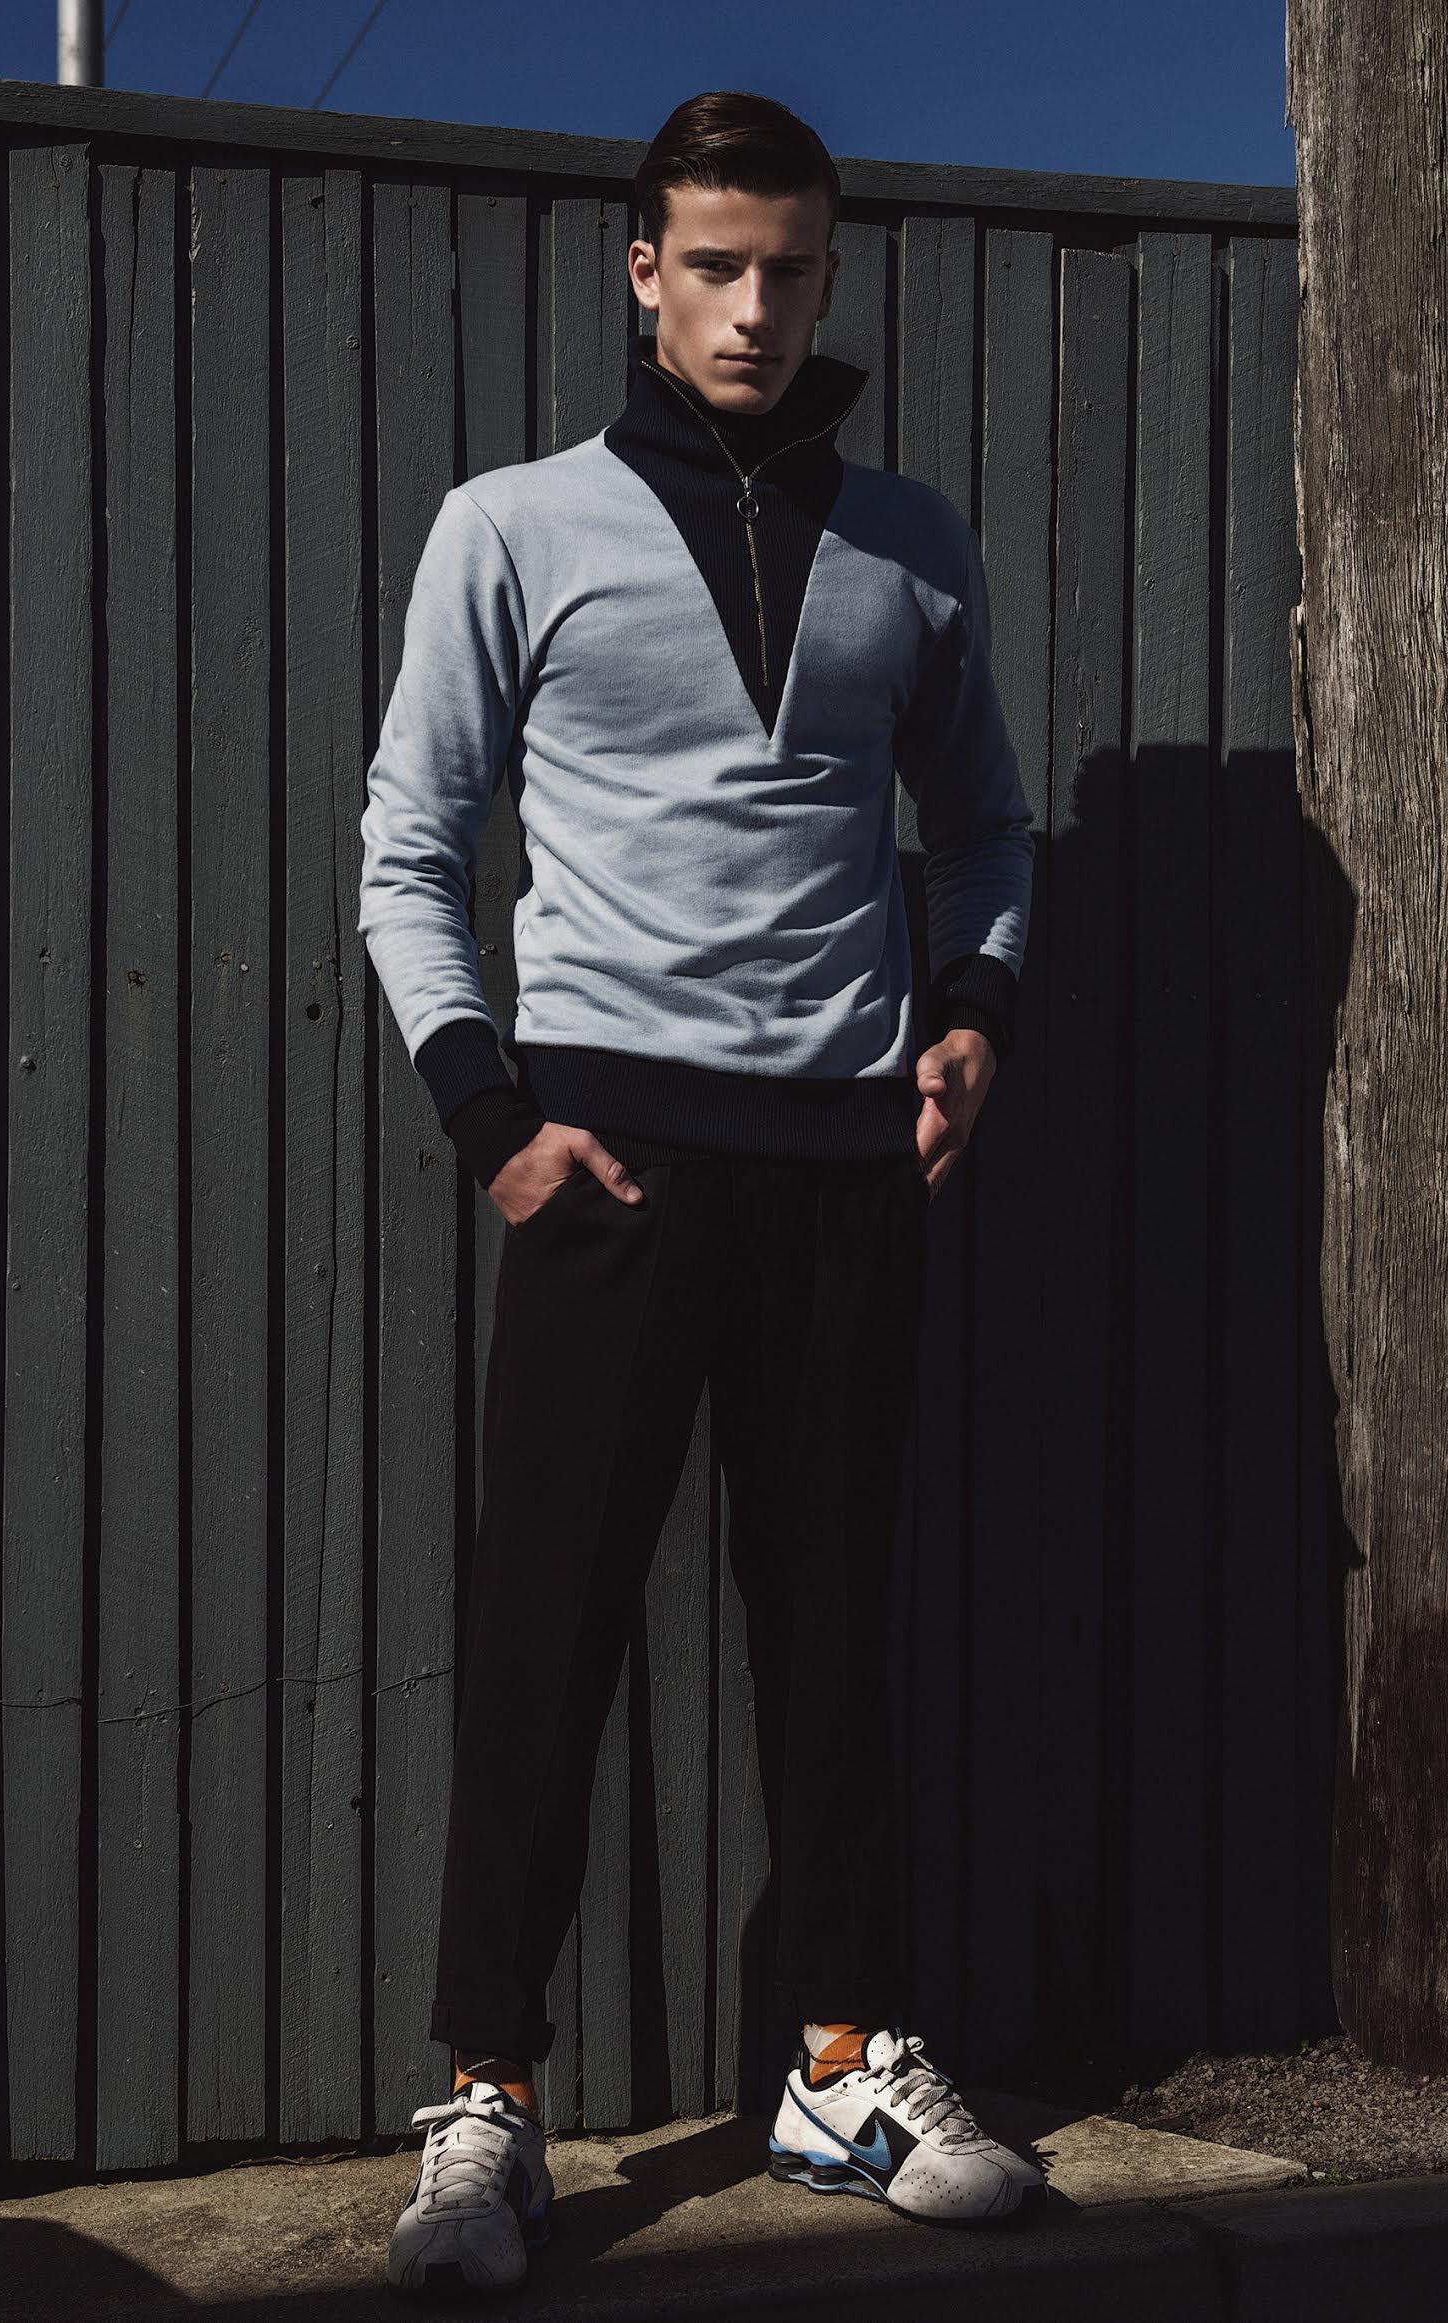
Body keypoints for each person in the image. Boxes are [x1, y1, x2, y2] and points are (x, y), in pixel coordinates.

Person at [358, 86, 1043, 2299]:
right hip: (611, 1169)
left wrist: (972, 1013)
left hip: (845, 1167)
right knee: (543, 1641)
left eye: (793, 269)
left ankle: (841, 2062)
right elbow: (406, 850)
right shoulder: (512, 527)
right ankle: (488, 2099)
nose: (756, 309)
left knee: (837, 1635)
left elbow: (987, 827)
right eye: (716, 266)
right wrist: (490, 1118)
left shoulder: (911, 545)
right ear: (644, 270)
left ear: (832, 275)